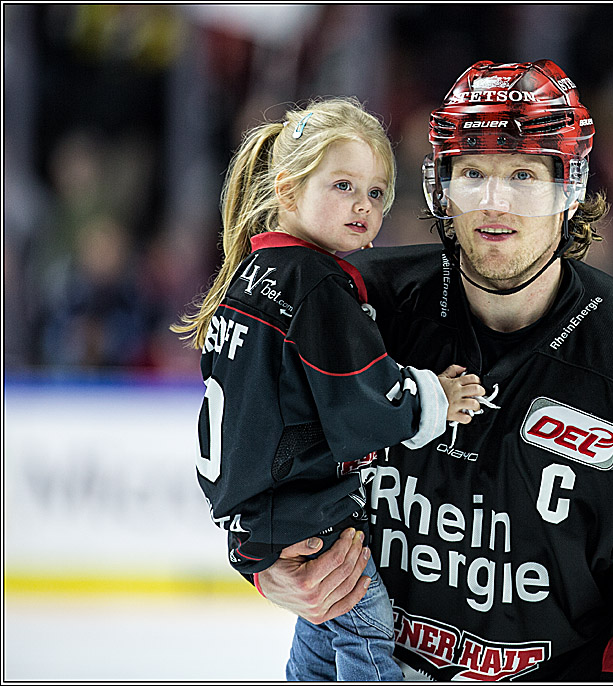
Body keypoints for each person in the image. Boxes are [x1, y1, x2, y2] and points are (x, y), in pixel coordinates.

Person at [257, 61, 613, 681]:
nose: (494, 201)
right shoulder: (353, 309)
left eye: (525, 175)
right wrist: (267, 562)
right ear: (442, 187)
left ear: (571, 187)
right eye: (474, 172)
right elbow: (253, 441)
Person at [171, 97, 485, 681]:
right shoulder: (315, 285)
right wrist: (437, 396)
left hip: (258, 519)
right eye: (343, 186)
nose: (363, 207)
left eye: (376, 193)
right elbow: (363, 403)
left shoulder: (251, 275)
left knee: (321, 645)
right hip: (305, 518)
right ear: (288, 191)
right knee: (367, 630)